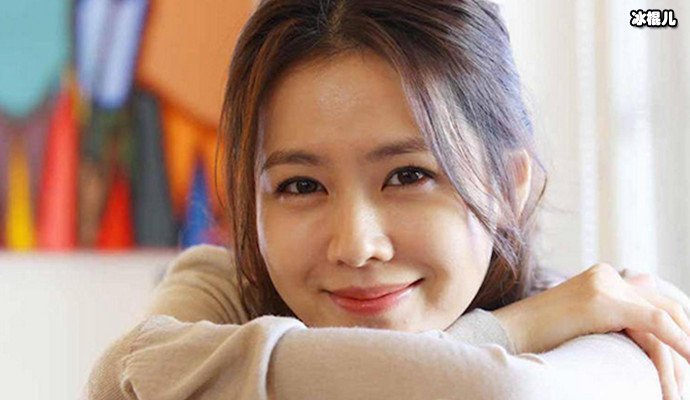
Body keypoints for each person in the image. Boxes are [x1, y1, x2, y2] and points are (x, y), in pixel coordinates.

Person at [83, 0, 690, 399]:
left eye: (407, 175)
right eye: (301, 185)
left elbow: (505, 394)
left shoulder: (617, 332)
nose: (356, 245)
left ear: (508, 187)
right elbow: (121, 377)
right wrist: (512, 332)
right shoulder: (221, 289)